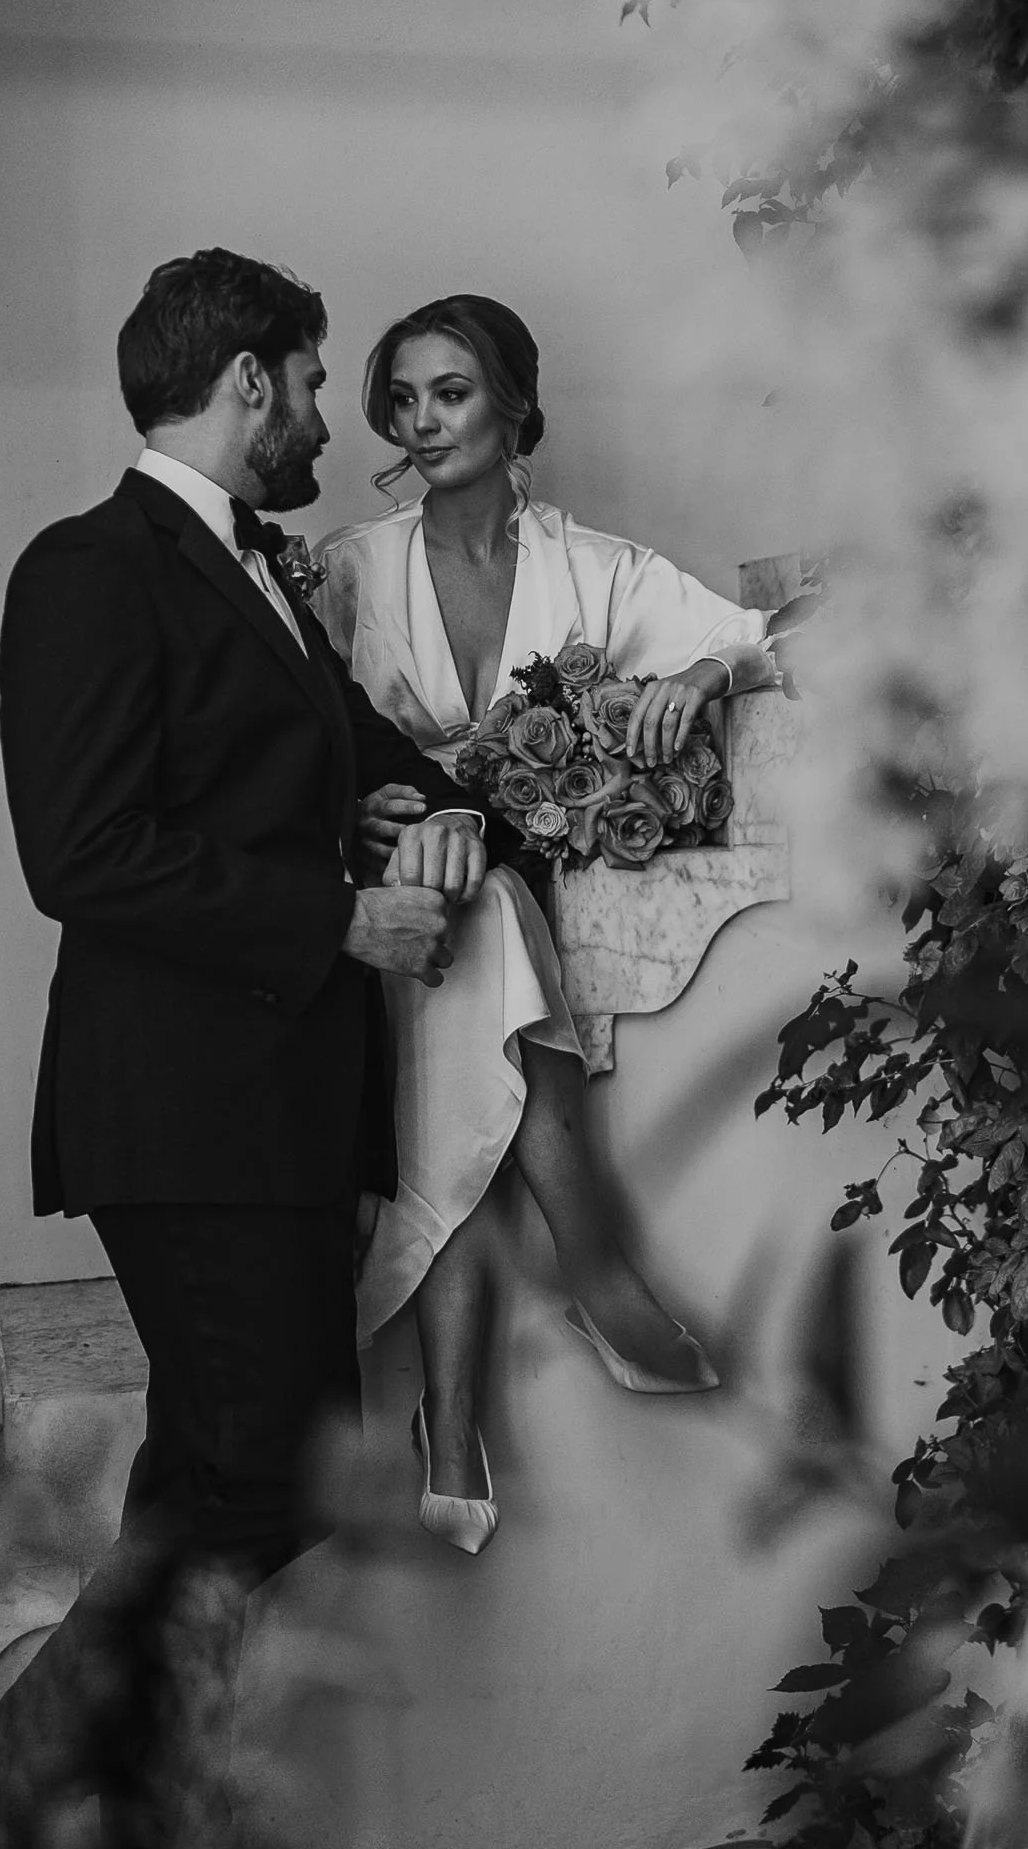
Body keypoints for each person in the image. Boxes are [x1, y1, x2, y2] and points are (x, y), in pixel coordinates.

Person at [0, 249, 501, 1848]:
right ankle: (5, 1761)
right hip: (178, 1106)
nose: (323, 413)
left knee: (211, 1467)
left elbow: (373, 759)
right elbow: (83, 852)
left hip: (283, 1110)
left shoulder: (266, 573)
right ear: (248, 379)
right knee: (274, 1478)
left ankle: (62, 1775)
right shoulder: (86, 568)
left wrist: (449, 819)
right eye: (308, 381)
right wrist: (340, 918)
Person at [313, 294, 777, 1557]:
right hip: (386, 880)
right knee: (468, 922)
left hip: (496, 882)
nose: (422, 420)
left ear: (514, 404)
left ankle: (451, 1418)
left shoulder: (593, 568)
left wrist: (698, 673)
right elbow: (288, 731)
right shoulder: (350, 567)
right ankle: (596, 1262)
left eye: (450, 391)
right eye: (403, 398)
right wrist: (353, 809)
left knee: (480, 930)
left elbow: (749, 634)